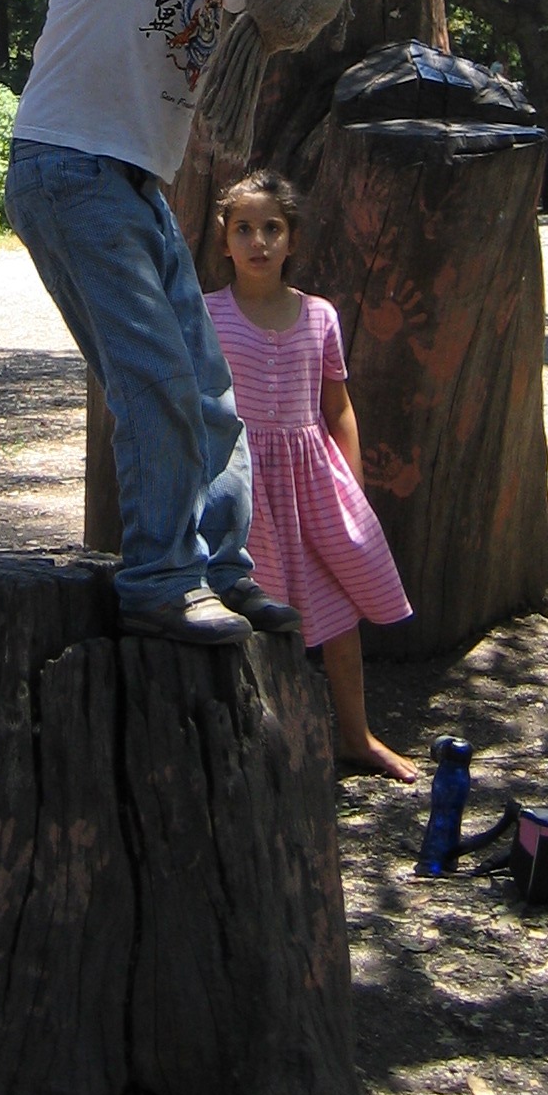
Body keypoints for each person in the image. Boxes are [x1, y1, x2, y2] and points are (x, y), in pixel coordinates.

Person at [5, 0, 461, 647]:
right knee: (156, 381)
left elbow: (281, 2)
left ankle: (221, 568)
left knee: (211, 391)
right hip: (69, 168)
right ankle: (159, 581)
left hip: (130, 179)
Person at [205, 171, 417, 777]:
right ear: (225, 240)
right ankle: (255, 743)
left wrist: (352, 486)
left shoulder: (319, 315)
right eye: (244, 229)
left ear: (292, 239)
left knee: (338, 604)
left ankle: (356, 735)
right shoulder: (207, 314)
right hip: (240, 484)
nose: (258, 242)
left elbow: (337, 406)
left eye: (272, 228)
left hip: (313, 485)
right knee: (253, 605)